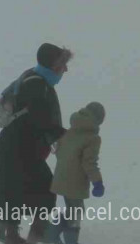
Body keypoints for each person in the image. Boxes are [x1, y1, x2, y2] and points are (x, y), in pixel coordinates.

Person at [0, 43, 72, 244]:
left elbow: (40, 120)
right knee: (39, 188)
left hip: (20, 145)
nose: (66, 70)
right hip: (17, 146)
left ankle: (20, 235)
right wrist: (65, 135)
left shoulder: (36, 79)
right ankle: (27, 234)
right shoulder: (36, 84)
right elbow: (41, 119)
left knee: (16, 189)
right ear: (53, 65)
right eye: (63, 65)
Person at [45, 102, 106, 244]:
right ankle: (53, 237)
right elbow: (89, 162)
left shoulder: (70, 131)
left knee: (72, 210)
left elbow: (59, 152)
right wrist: (97, 182)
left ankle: (51, 235)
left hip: (61, 178)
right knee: (75, 213)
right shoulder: (93, 138)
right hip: (75, 182)